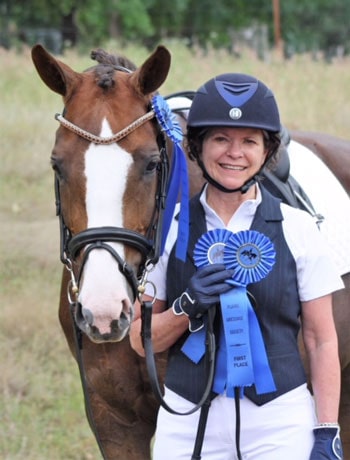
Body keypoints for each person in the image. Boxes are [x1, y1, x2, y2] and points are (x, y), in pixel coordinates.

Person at [130, 73, 344, 460]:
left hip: (280, 418)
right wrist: (185, 306)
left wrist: (327, 429)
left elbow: (321, 339)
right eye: (221, 139)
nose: (234, 153)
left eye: (249, 141)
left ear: (266, 151)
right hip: (188, 417)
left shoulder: (298, 227)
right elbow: (139, 338)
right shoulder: (170, 229)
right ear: (198, 146)